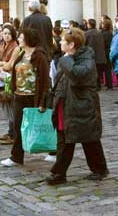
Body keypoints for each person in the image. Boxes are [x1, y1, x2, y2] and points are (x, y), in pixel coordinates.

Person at [46, 28, 108, 185]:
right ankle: (60, 173)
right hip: (66, 105)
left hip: (81, 107)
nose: (60, 42)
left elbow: (77, 74)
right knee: (65, 140)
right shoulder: (67, 57)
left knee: (88, 139)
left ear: (72, 44)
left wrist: (66, 60)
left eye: (63, 41)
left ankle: (98, 169)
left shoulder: (85, 58)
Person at [0, 28, 50, 167]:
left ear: (28, 39)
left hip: (33, 96)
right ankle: (16, 156)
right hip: (19, 96)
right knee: (18, 126)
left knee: (40, 125)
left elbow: (45, 80)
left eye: (21, 37)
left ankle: (53, 151)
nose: (19, 39)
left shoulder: (39, 56)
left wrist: (42, 102)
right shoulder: (21, 53)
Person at [0, 24, 19, 144]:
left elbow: (10, 65)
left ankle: (13, 134)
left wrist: (2, 65)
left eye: (8, 34)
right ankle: (10, 131)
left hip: (11, 79)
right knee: (7, 105)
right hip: (4, 79)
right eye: (4, 33)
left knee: (12, 106)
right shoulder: (3, 45)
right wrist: (2, 64)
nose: (6, 36)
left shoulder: (15, 47)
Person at [85, 19, 106, 91]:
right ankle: (98, 85)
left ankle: (95, 85)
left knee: (93, 72)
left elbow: (85, 44)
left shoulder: (87, 33)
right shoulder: (99, 33)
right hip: (100, 56)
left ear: (89, 24)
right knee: (98, 72)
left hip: (91, 55)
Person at [100, 19, 114, 90]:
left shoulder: (104, 34)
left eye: (102, 24)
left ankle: (108, 84)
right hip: (109, 51)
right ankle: (109, 84)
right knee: (108, 69)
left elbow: (102, 44)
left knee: (106, 69)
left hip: (105, 52)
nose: (101, 25)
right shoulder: (110, 33)